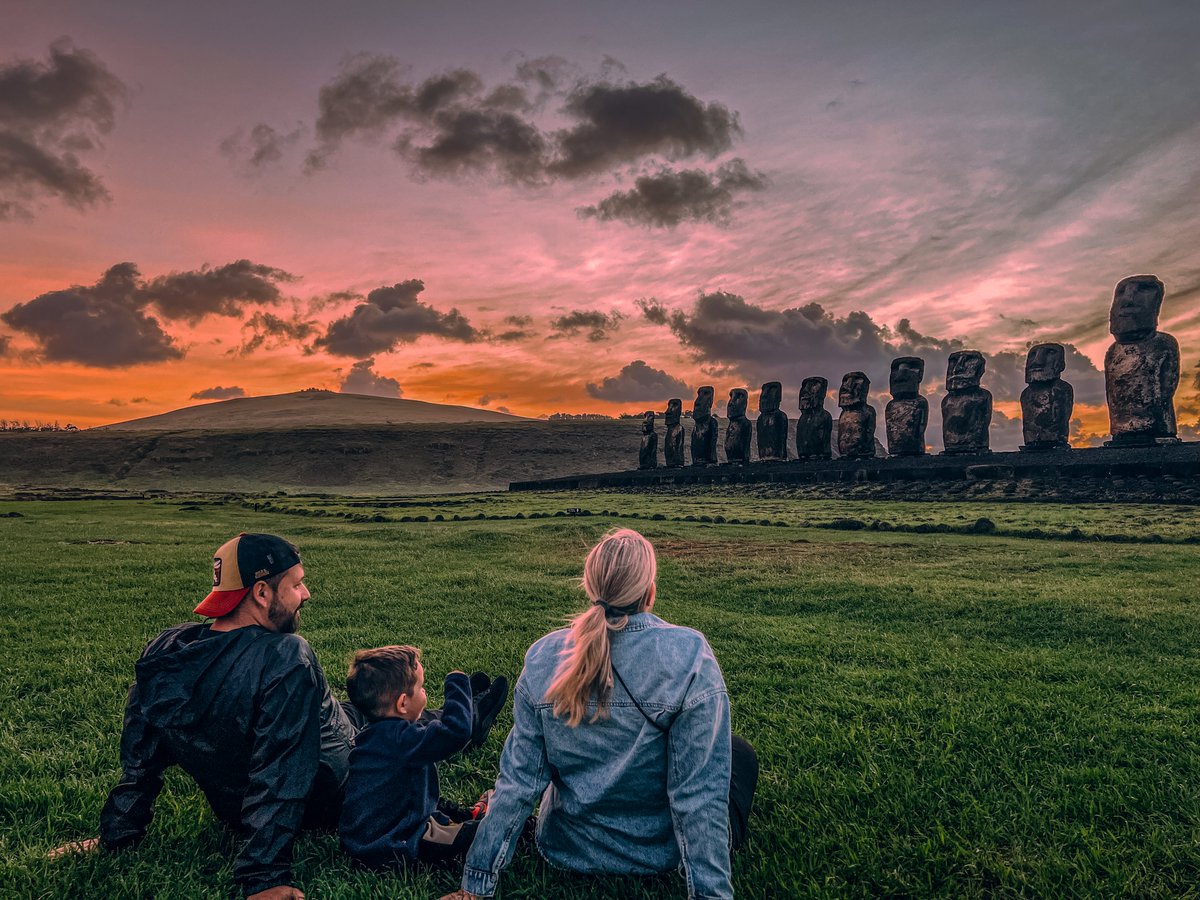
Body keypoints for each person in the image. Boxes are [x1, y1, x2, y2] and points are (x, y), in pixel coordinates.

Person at [92, 532, 507, 900]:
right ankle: (463, 717)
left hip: (274, 775)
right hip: (337, 784)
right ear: (261, 593)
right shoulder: (285, 656)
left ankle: (469, 708)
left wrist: (118, 830)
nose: (305, 593)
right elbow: (282, 761)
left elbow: (141, 748)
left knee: (358, 709)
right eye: (296, 584)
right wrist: (264, 876)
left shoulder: (168, 649)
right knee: (390, 726)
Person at [444, 528, 757, 900]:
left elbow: (518, 783)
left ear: (589, 587)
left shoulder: (544, 657)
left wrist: (475, 887)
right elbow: (699, 794)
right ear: (650, 591)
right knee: (740, 755)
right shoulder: (689, 654)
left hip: (565, 848)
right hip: (658, 854)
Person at [339, 646, 490, 869]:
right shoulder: (402, 741)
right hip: (393, 843)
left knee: (433, 815)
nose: (424, 692)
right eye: (421, 688)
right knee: (481, 834)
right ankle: (505, 825)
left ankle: (459, 817)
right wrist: (457, 683)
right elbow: (455, 732)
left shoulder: (373, 736)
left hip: (366, 838)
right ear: (402, 704)